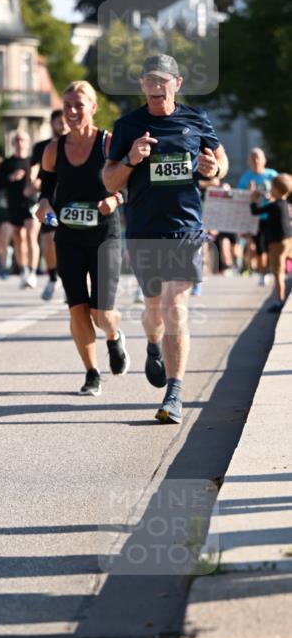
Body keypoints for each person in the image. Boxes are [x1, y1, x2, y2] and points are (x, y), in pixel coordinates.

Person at [103, 54, 228, 424]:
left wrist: (214, 169)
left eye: (163, 80)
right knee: (154, 310)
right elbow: (109, 181)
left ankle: (174, 393)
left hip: (186, 228)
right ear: (142, 84)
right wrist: (130, 159)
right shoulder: (128, 126)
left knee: (175, 306)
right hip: (143, 230)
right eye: (150, 80)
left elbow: (220, 162)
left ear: (178, 83)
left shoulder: (196, 119)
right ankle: (153, 344)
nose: (157, 86)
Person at [36, 81, 128, 395]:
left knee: (101, 313)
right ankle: (92, 372)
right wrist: (44, 204)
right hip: (69, 236)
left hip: (104, 236)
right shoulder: (53, 149)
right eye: (67, 106)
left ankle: (114, 336)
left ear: (93, 107)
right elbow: (45, 190)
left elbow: (129, 184)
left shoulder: (108, 144)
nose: (72, 111)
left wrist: (115, 199)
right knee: (77, 306)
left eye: (79, 105)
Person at [0, 131, 38, 288]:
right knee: (18, 239)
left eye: (23, 140)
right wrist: (11, 178)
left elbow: (43, 180)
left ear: (28, 142)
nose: (20, 143)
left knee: (31, 236)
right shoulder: (7, 164)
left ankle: (33, 272)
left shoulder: (33, 161)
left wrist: (33, 183)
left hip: (31, 203)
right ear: (13, 143)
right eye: (17, 140)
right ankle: (24, 270)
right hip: (14, 204)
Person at [28, 108, 67, 300]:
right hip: (49, 200)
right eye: (59, 121)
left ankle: (73, 284)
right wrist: (32, 181)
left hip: (71, 199)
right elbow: (33, 168)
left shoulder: (76, 146)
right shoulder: (42, 147)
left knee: (72, 243)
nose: (63, 124)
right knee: (49, 240)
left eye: (65, 121)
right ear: (52, 124)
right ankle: (52, 278)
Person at [250, 173, 292, 313]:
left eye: (272, 187)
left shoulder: (274, 206)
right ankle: (280, 299)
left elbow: (255, 211)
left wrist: (253, 199)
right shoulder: (284, 204)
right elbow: (274, 205)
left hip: (277, 243)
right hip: (288, 239)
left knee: (278, 273)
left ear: (276, 190)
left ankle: (279, 301)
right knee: (283, 269)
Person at [238, 148, 279, 286]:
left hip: (272, 216)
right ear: (249, 161)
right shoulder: (246, 177)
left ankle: (275, 271)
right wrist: (250, 193)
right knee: (260, 247)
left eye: (258, 157)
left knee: (272, 246)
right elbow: (239, 196)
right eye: (252, 158)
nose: (255, 160)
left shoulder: (272, 174)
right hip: (255, 217)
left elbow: (282, 192)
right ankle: (263, 273)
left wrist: (271, 196)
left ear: (264, 159)